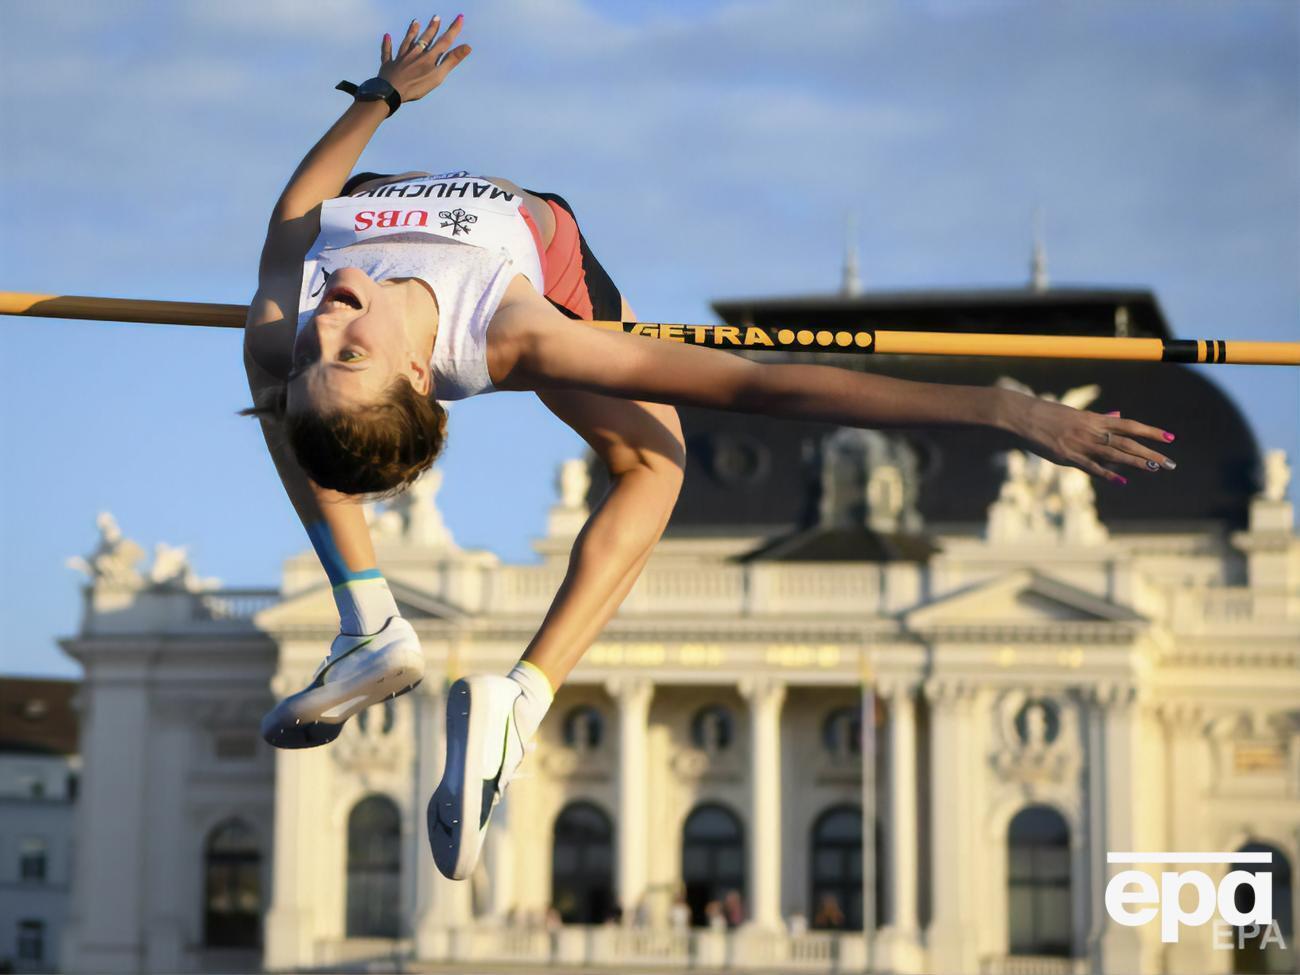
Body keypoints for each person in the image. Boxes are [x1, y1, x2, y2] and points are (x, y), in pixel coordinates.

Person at [241, 15, 1180, 882]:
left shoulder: (292, 312)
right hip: (550, 252)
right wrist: (1003, 411)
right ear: (414, 373)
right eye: (349, 352)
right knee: (657, 463)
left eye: (324, 347)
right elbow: (763, 386)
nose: (332, 323)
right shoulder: (521, 330)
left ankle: (369, 622)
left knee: (268, 375)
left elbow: (299, 198)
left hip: (376, 193)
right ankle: (520, 700)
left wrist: (384, 94)